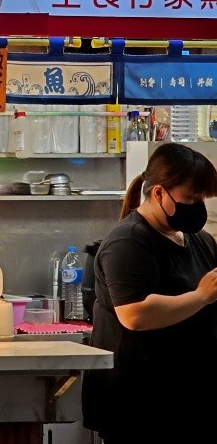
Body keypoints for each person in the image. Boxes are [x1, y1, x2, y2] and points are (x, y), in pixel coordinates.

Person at [82, 142, 217, 442]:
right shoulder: (128, 241)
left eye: (202, 199)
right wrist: (201, 296)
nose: (198, 207)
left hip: (187, 401)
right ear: (159, 193)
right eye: (192, 198)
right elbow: (134, 314)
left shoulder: (200, 241)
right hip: (139, 404)